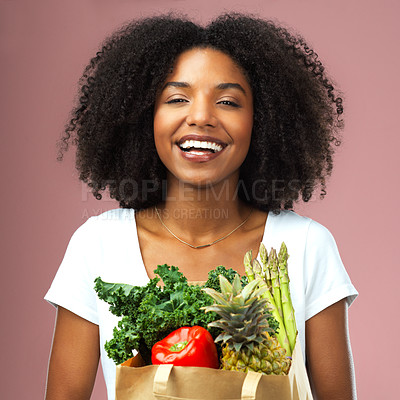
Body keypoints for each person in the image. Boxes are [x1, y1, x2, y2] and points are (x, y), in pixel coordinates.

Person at [44, 13, 358, 400]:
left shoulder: (306, 245)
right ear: (146, 117)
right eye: (177, 99)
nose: (201, 117)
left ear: (262, 121)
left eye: (228, 101)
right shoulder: (97, 244)